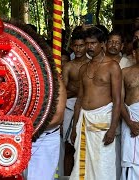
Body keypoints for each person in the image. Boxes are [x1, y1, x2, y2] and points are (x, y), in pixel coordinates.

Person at [70, 26, 122, 180]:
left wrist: (113, 128)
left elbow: (117, 99)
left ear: (102, 44)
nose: (89, 47)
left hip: (103, 122)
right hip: (84, 122)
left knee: (103, 165)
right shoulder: (83, 68)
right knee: (82, 165)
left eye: (93, 43)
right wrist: (74, 127)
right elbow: (79, 98)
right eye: (87, 43)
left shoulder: (112, 67)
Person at [24, 78, 67, 180]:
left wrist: (29, 128)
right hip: (19, 136)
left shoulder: (56, 81)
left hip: (45, 137)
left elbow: (58, 118)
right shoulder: (22, 75)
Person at [60, 25, 89, 176]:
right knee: (68, 146)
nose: (78, 49)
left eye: (81, 46)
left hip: (86, 108)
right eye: (75, 46)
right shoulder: (69, 66)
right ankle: (66, 177)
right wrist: (76, 92)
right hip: (70, 107)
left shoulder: (91, 64)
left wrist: (76, 92)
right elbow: (63, 90)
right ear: (72, 46)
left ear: (86, 46)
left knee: (84, 146)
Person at [120, 39, 139, 180]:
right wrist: (130, 123)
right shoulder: (124, 72)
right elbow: (118, 101)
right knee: (130, 166)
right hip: (130, 121)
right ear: (134, 53)